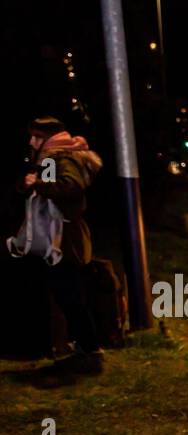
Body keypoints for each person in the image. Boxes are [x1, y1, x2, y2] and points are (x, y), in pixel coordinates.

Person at [23, 117, 104, 360]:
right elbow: (50, 186)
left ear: (50, 138)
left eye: (37, 137)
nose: (32, 141)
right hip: (55, 230)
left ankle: (88, 347)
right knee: (65, 290)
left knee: (68, 291)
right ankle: (77, 344)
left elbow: (70, 187)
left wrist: (37, 184)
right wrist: (33, 184)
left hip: (62, 233)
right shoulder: (52, 156)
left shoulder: (58, 157)